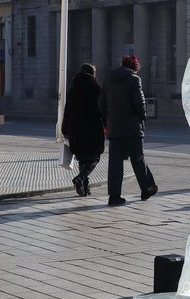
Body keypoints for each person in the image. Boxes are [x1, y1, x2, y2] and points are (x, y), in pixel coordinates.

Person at [103, 54, 159, 206]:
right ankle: (147, 188)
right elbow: (140, 103)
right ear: (134, 67)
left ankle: (114, 196)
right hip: (132, 128)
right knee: (138, 158)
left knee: (115, 163)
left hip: (114, 128)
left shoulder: (109, 80)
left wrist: (107, 121)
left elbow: (101, 104)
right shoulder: (134, 80)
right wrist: (143, 117)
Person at [60, 64, 106, 197]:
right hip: (92, 128)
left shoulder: (73, 89)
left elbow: (67, 110)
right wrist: (107, 124)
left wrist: (65, 129)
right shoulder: (96, 88)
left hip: (75, 128)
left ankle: (85, 188)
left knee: (82, 158)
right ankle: (80, 178)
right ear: (92, 73)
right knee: (94, 157)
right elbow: (102, 110)